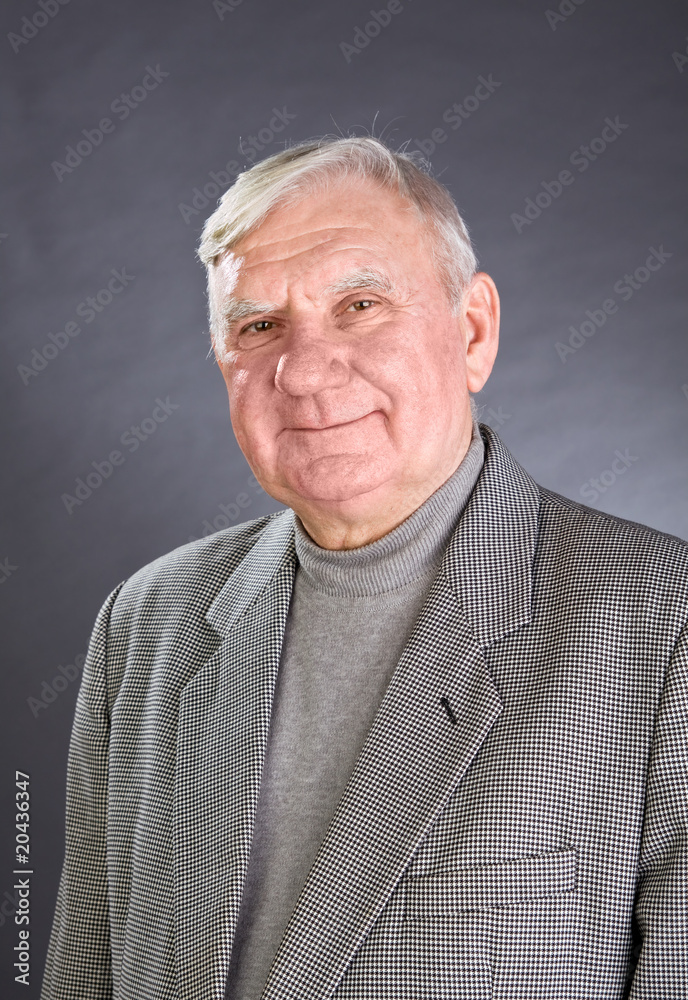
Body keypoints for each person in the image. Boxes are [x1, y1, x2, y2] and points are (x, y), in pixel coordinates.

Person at [42, 137, 688, 1000]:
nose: (305, 371)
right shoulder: (146, 623)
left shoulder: (664, 622)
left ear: (472, 331)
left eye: (359, 305)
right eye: (259, 326)